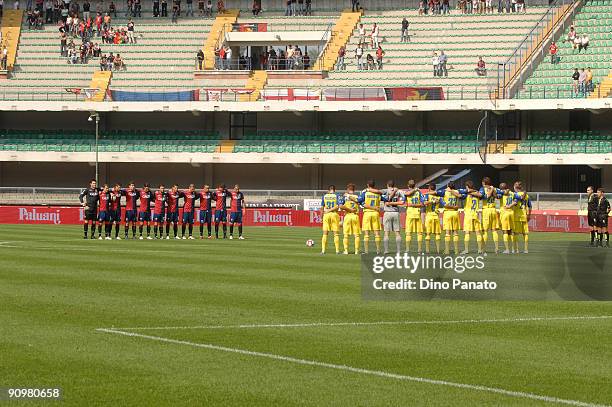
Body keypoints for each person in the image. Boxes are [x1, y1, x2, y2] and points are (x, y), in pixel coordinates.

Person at [457, 181, 483, 254]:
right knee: (478, 233)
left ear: (467, 187)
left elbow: (459, 196)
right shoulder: (477, 193)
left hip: (468, 214)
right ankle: (480, 249)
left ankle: (466, 250)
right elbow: (481, 196)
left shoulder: (466, 194)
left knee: (467, 233)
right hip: (476, 214)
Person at [357, 180, 383, 254]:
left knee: (366, 234)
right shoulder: (378, 193)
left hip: (367, 213)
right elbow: (386, 198)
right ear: (374, 185)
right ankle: (378, 250)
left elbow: (359, 200)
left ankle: (366, 251)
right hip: (375, 213)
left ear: (368, 185)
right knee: (377, 233)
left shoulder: (365, 192)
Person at [437, 182, 460, 255]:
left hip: (447, 213)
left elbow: (445, 205)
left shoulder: (444, 192)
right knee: (455, 233)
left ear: (447, 186)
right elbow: (459, 195)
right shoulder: (457, 192)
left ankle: (447, 250)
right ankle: (456, 251)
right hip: (455, 213)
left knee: (447, 233)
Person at [381, 181, 404, 254]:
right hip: (395, 213)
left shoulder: (384, 191)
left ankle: (386, 250)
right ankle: (398, 251)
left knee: (386, 233)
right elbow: (402, 201)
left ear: (387, 185)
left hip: (387, 213)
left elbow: (378, 192)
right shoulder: (399, 191)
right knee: (397, 233)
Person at [479, 177, 500, 253]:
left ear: (484, 183)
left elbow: (485, 196)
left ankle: (483, 249)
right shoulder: (494, 188)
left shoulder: (483, 189)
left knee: (485, 231)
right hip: (493, 210)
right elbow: (497, 197)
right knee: (494, 230)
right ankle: (496, 248)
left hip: (486, 210)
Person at [340, 183, 361, 255]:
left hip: (348, 216)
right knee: (357, 235)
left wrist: (349, 209)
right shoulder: (357, 197)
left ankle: (346, 251)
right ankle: (356, 251)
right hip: (355, 216)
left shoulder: (345, 197)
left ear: (348, 189)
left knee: (346, 235)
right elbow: (360, 203)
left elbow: (341, 206)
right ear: (354, 190)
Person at [404, 180, 424, 253]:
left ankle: (407, 249)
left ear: (408, 185)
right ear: (414, 185)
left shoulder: (406, 193)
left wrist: (411, 205)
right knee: (419, 232)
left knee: (408, 232)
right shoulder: (418, 192)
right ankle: (419, 249)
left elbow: (403, 202)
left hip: (410, 213)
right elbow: (423, 204)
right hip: (417, 213)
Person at [320, 185, 341, 254]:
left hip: (326, 215)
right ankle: (337, 251)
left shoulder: (324, 196)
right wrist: (330, 210)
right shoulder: (337, 196)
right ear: (334, 190)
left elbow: (322, 208)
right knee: (336, 234)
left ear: (329, 190)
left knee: (325, 233)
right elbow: (338, 206)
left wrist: (321, 217)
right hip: (334, 214)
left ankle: (323, 251)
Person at [422, 184, 442, 254]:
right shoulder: (438, 196)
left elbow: (425, 203)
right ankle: (438, 251)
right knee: (437, 234)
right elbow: (444, 203)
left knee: (427, 234)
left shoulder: (427, 195)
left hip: (429, 216)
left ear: (429, 188)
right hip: (436, 216)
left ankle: (427, 251)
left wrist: (431, 201)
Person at [498, 183, 517, 254]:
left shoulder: (501, 193)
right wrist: (510, 206)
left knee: (505, 231)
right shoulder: (512, 193)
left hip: (504, 212)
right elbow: (515, 202)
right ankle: (513, 249)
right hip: (511, 212)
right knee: (511, 231)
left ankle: (507, 249)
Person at [512, 181, 531, 253]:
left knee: (516, 233)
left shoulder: (514, 194)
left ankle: (516, 250)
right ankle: (526, 249)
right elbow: (530, 206)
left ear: (515, 187)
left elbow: (514, 203)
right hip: (524, 215)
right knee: (525, 233)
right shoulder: (526, 195)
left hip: (516, 215)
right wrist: (529, 215)